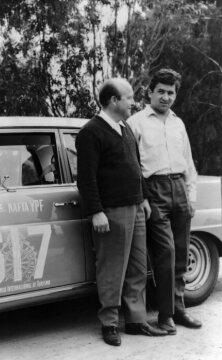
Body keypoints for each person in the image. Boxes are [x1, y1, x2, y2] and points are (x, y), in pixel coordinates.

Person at [76, 78, 167, 346]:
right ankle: (110, 323)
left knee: (138, 268)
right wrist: (96, 212)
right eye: (128, 98)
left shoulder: (125, 128)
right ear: (114, 101)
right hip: (112, 212)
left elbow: (136, 168)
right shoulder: (91, 132)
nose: (133, 102)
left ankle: (137, 321)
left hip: (137, 207)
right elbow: (86, 179)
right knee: (112, 270)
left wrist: (145, 198)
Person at [127, 68, 202, 335]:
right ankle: (165, 315)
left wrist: (190, 197)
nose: (166, 97)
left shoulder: (178, 123)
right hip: (154, 189)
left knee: (181, 252)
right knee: (166, 253)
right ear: (150, 92)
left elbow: (189, 162)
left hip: (179, 188)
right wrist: (144, 198)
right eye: (161, 91)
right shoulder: (136, 123)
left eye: (171, 93)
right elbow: (133, 167)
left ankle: (179, 309)